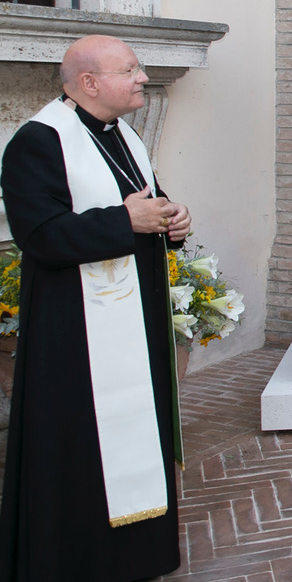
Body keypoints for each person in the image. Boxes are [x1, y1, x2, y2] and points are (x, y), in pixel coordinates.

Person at [0, 35, 192, 581]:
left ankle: (138, 556)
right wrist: (125, 222)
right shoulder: (38, 142)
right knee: (79, 446)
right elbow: (40, 238)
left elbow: (143, 203)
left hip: (136, 320)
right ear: (89, 83)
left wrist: (172, 219)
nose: (141, 78)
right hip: (73, 334)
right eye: (129, 69)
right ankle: (76, 562)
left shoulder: (123, 134)